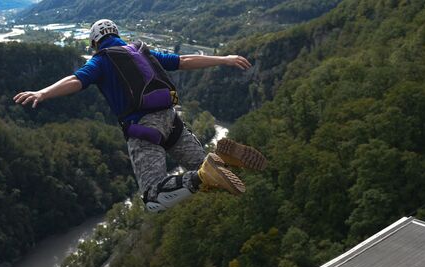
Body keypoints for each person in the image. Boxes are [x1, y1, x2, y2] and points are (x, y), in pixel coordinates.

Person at [14, 19, 267, 212]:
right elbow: (184, 60)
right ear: (117, 35)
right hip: (172, 119)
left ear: (94, 43)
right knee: (206, 169)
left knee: (154, 197)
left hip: (144, 129)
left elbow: (76, 80)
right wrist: (225, 58)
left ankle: (203, 174)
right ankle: (219, 159)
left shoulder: (101, 60)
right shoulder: (141, 51)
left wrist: (43, 93)